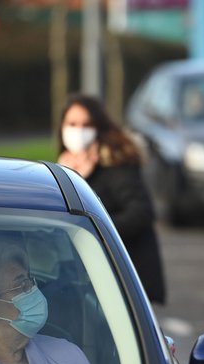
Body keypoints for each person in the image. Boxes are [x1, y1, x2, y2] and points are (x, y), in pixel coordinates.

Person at [57, 93, 167, 305]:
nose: (78, 131)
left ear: (98, 127)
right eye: (72, 124)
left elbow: (141, 212)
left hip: (125, 274)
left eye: (86, 124)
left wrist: (97, 231)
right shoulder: (65, 166)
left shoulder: (116, 163)